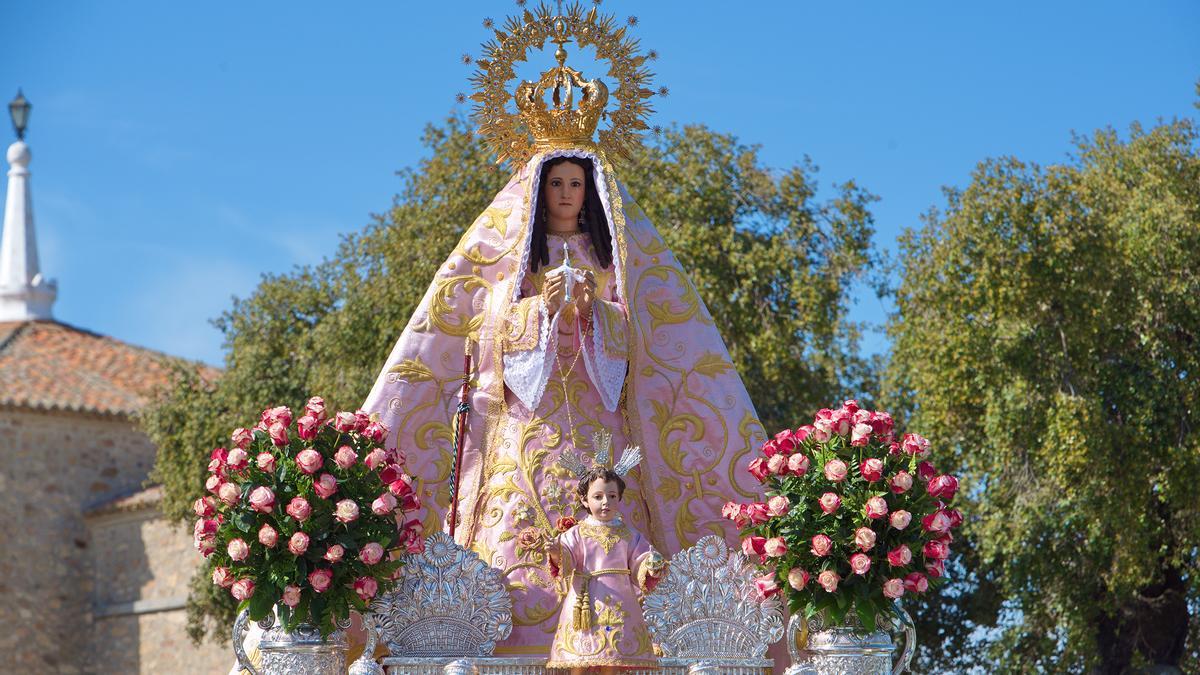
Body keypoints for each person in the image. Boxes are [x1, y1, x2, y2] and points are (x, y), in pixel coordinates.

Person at [545, 466, 666, 673]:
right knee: (580, 660)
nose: (605, 502)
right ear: (585, 500)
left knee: (613, 657)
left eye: (611, 496)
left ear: (619, 499)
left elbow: (641, 560)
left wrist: (651, 564)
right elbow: (567, 559)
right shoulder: (577, 533)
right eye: (598, 496)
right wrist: (556, 552)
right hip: (585, 603)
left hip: (620, 602)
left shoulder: (629, 534)